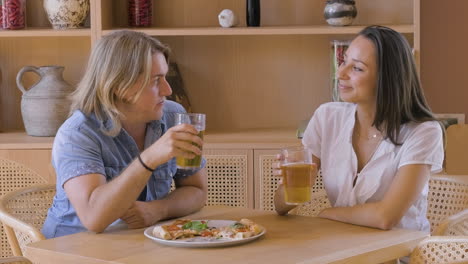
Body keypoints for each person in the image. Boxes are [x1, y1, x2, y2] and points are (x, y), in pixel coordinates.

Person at [274, 25, 444, 233]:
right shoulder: (327, 117)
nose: (341, 73)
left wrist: (327, 214)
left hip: (400, 254)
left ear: (387, 79)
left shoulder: (424, 132)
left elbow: (385, 217)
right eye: (344, 61)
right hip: (342, 247)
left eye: (357, 68)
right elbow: (280, 207)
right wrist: (293, 186)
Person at [42, 30, 208, 238]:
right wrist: (150, 158)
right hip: (73, 249)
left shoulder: (173, 115)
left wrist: (159, 209)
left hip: (138, 244)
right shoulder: (77, 134)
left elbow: (197, 192)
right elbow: (94, 219)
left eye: (165, 77)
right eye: (156, 80)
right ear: (121, 85)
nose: (167, 90)